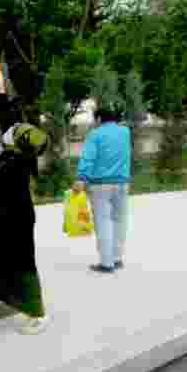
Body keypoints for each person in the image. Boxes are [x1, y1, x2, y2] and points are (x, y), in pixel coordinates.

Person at [0, 79, 51, 334]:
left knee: (22, 264)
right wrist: (0, 88)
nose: (9, 129)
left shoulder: (19, 164)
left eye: (15, 130)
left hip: (16, 218)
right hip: (2, 212)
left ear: (19, 144)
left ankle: (37, 314)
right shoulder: (13, 153)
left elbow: (10, 192)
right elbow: (9, 118)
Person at [72, 106, 131, 273]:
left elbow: (88, 158)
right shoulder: (125, 132)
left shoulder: (95, 134)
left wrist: (81, 178)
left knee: (103, 222)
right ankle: (117, 258)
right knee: (120, 220)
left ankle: (106, 263)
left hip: (100, 184)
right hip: (122, 182)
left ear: (98, 119)